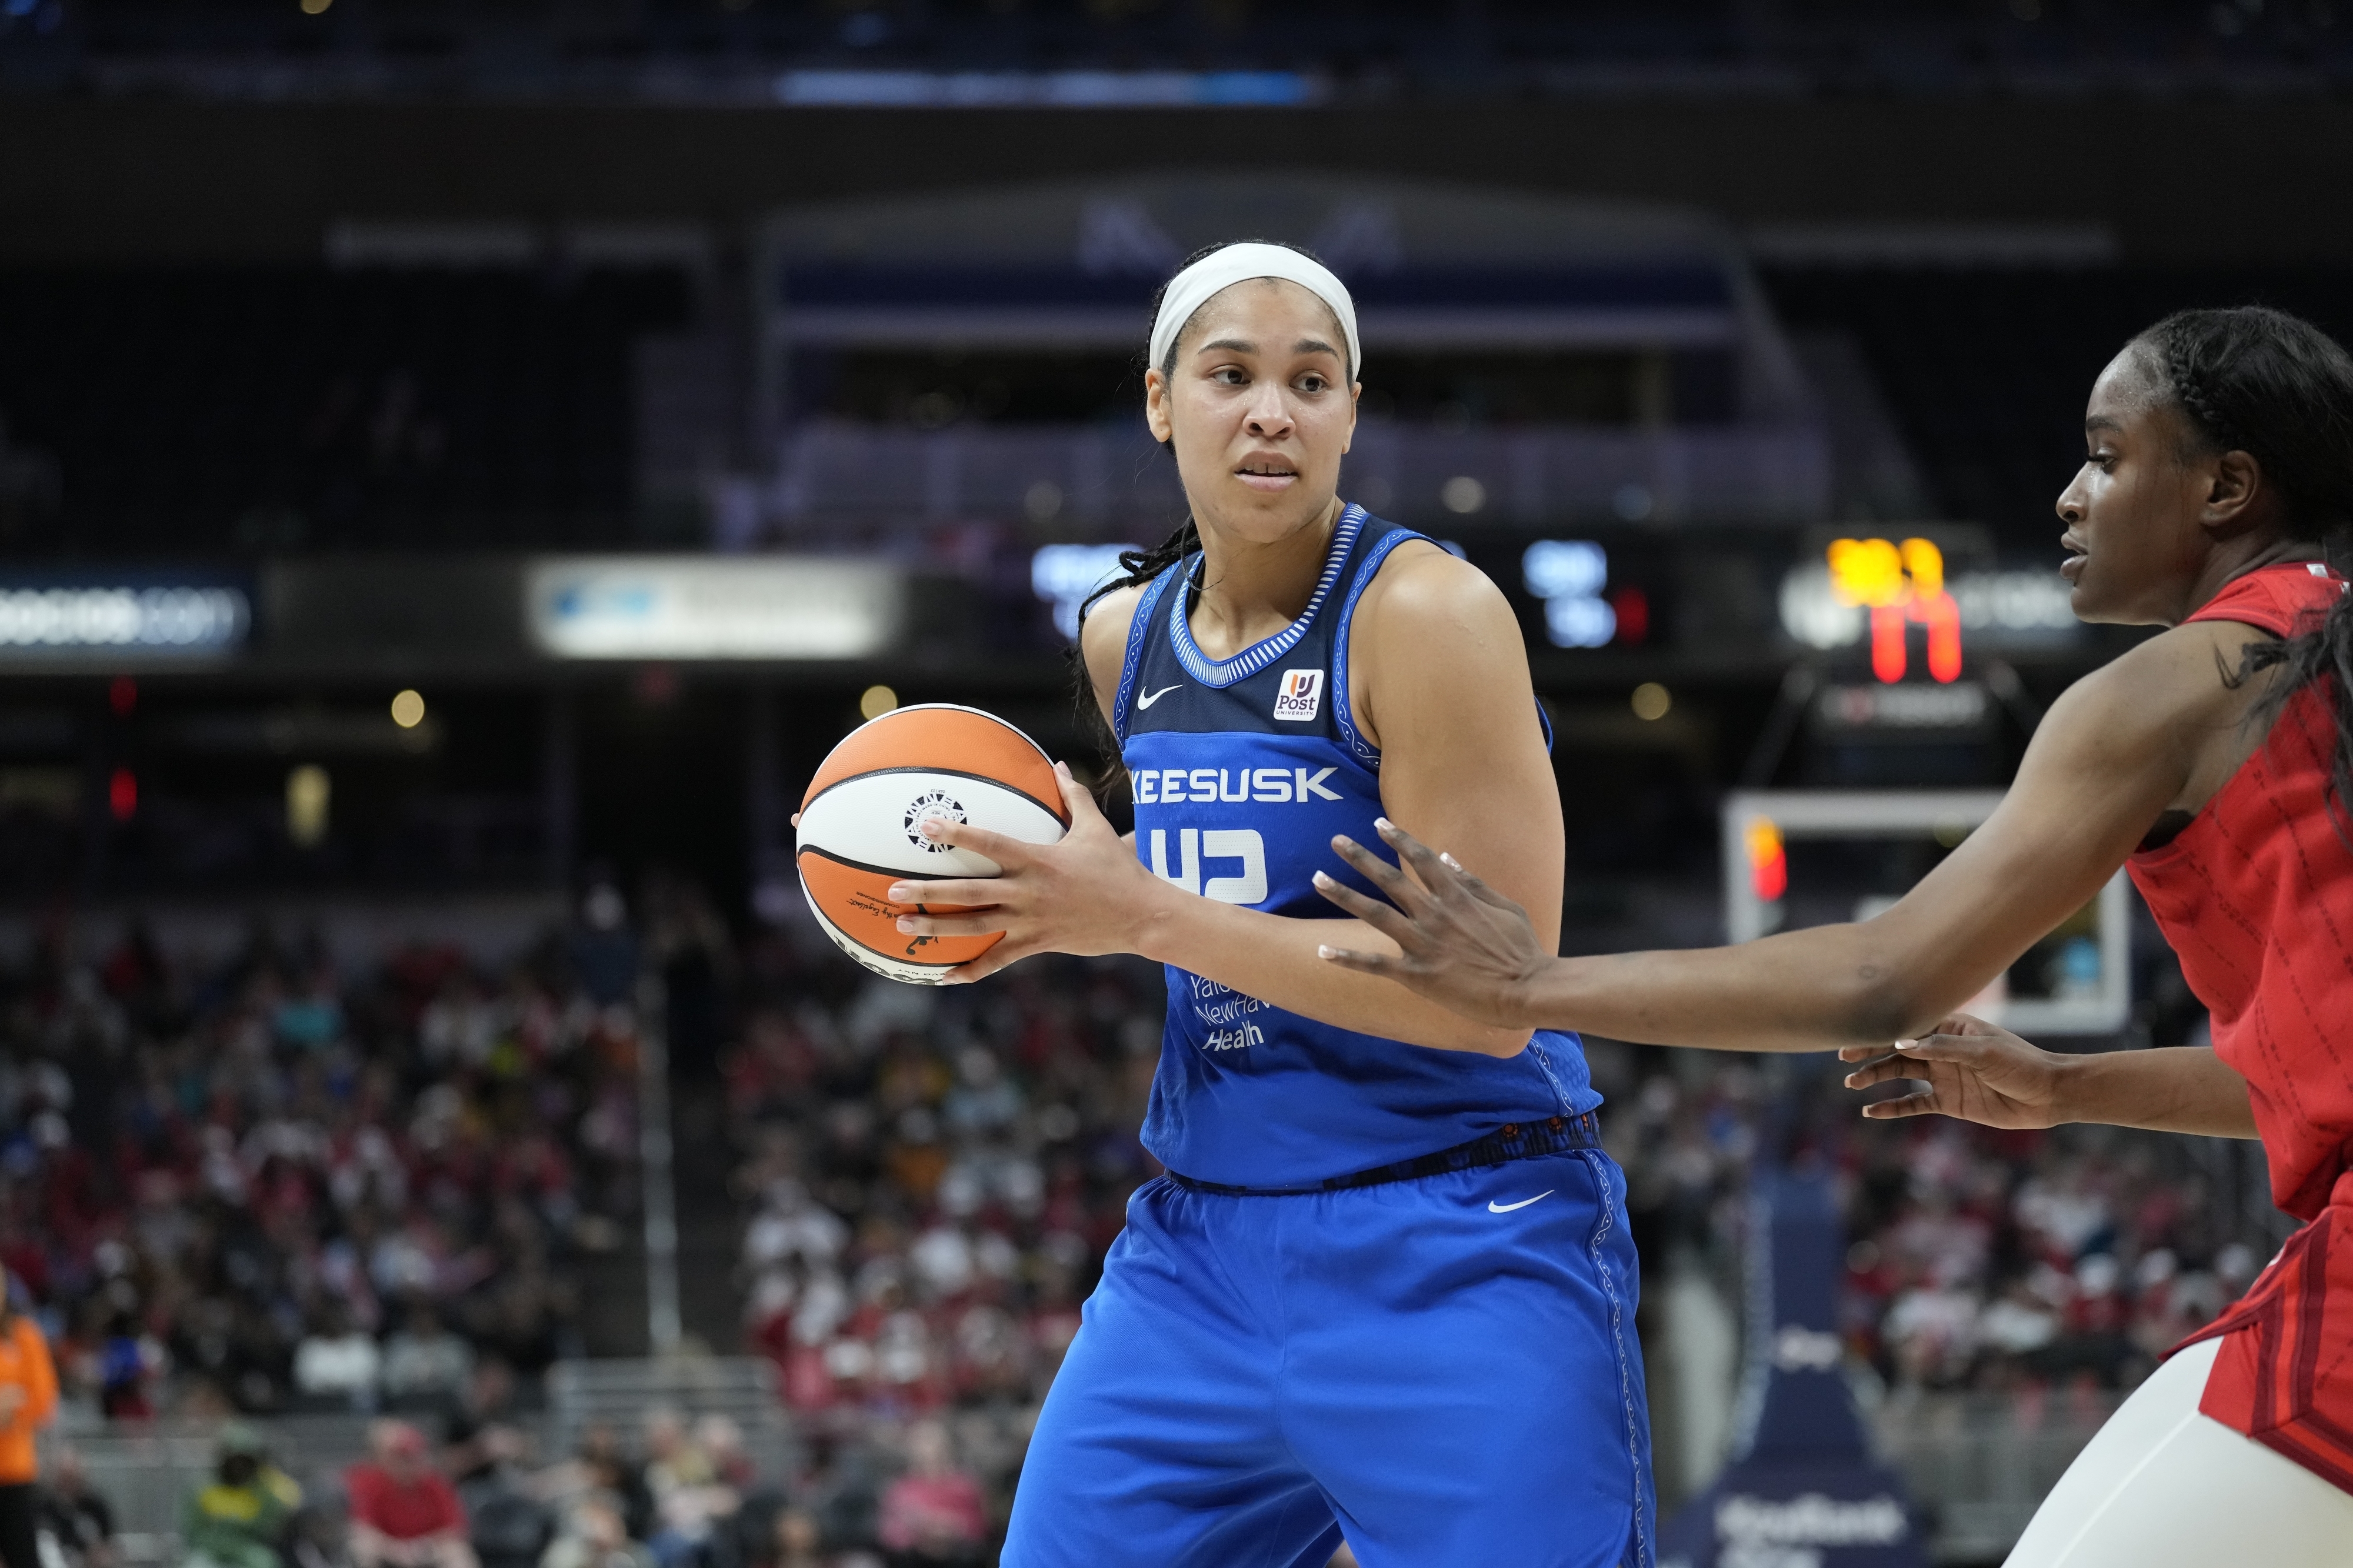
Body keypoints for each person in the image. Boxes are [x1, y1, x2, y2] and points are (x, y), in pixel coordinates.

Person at [1304, 305, 2353, 1563]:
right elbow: (2308, 1074)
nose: (2070, 496)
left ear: (2227, 487)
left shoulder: (2182, 686)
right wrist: (2064, 1083)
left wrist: (1527, 980)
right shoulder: (2315, 658)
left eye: (2106, 455)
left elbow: (1882, 974)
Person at [880, 242, 1652, 1566]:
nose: (1269, 411)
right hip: (1200, 1253)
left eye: (1310, 380)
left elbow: (1488, 1003)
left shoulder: (1426, 613)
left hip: (1456, 1240)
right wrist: (1018, 904)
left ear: (1351, 409)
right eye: (1229, 374)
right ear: (1157, 399)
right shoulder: (1124, 632)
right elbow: (1168, 896)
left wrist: (1134, 917)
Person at [346, 1422, 478, 1568]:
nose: (409, 1464)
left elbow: (455, 1530)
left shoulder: (435, 1483)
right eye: (402, 1458)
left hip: (427, 1550)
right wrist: (394, 1549)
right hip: (388, 1550)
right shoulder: (371, 1481)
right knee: (362, 1546)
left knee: (458, 1551)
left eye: (413, 1458)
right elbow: (362, 1528)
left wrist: (423, 1547)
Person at [182, 1424, 301, 1568]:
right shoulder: (204, 1490)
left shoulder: (262, 1494)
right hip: (210, 1551)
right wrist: (219, 1540)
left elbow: (269, 1529)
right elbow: (194, 1530)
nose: (238, 1467)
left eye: (244, 1461)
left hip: (248, 1551)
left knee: (265, 1563)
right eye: (234, 1461)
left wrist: (239, 1530)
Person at [0, 1270, 57, 1568]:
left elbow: (43, 1400)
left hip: (13, 1473)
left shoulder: (24, 1336)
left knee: (23, 1558)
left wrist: (11, 1410)